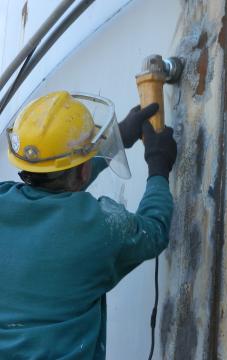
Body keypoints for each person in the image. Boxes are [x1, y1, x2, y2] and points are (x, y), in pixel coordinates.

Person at [0, 91, 177, 359]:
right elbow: (153, 231)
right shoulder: (99, 228)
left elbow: (57, 185)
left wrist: (115, 140)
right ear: (83, 171)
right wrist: (158, 166)